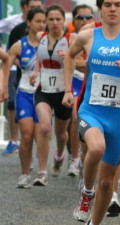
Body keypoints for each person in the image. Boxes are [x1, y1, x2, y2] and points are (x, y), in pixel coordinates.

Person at [62, 0, 120, 224]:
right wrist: (67, 90)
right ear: (100, 9)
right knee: (97, 147)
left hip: (117, 117)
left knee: (107, 183)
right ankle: (86, 192)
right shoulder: (88, 36)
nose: (113, 8)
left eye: (117, 4)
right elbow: (70, 56)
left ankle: (95, 222)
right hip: (90, 111)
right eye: (108, 4)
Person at [29, 5, 76, 186]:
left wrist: (69, 57)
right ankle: (42, 172)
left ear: (64, 21)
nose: (55, 23)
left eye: (58, 19)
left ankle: (59, 154)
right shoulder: (42, 37)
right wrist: (35, 71)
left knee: (61, 133)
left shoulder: (71, 38)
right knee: (44, 128)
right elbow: (41, 57)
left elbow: (80, 62)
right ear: (46, 21)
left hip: (63, 92)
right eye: (51, 19)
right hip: (44, 90)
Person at [1, 8, 45, 188]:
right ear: (29, 23)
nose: (41, 25)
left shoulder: (50, 43)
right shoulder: (19, 45)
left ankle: (42, 170)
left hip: (44, 95)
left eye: (44, 22)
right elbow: (6, 64)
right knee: (26, 135)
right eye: (38, 21)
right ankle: (25, 173)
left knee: (40, 134)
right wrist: (4, 87)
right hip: (24, 93)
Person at [65, 4, 94, 177]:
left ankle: (83, 154)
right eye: (80, 17)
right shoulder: (73, 37)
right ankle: (74, 159)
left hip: (92, 81)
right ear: (74, 21)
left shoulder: (96, 35)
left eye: (88, 17)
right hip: (76, 80)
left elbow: (79, 61)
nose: (84, 20)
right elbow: (73, 61)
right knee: (75, 118)